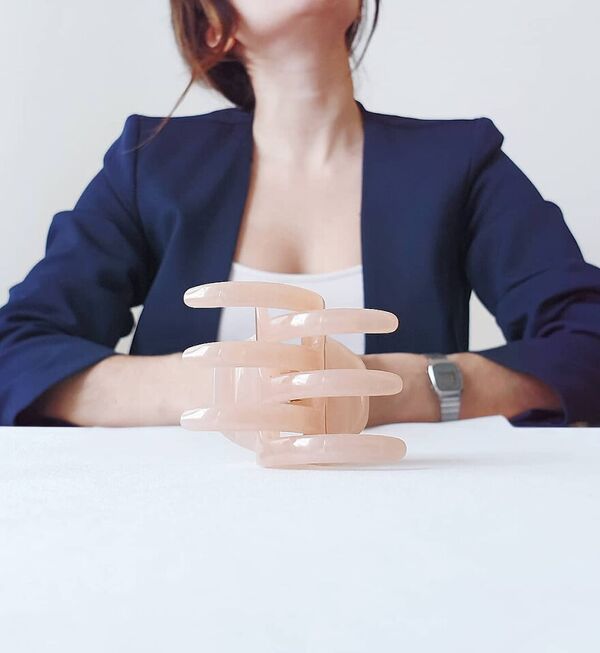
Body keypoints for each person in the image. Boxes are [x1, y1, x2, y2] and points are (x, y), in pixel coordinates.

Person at [1, 0, 599, 428]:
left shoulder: (461, 162)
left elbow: (588, 342)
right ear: (213, 26)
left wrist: (396, 391)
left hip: (406, 525)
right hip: (173, 528)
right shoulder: (150, 163)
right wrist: (229, 388)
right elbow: (17, 352)